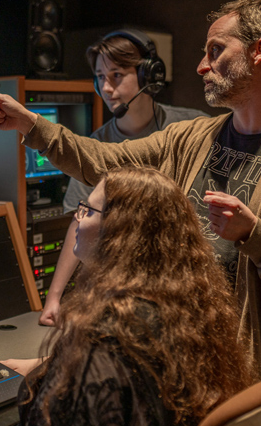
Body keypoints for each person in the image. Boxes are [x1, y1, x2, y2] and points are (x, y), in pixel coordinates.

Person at [0, 0, 261, 425]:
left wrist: (256, 236)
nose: (201, 66)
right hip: (180, 378)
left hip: (254, 391)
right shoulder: (188, 138)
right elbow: (105, 163)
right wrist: (30, 124)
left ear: (260, 51)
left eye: (216, 51)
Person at [0, 167, 256, 426]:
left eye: (88, 210)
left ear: (120, 232)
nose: (77, 219)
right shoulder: (181, 309)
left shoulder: (105, 337)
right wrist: (51, 367)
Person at [39, 30, 207, 326]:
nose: (106, 87)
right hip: (129, 292)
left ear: (149, 76)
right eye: (100, 76)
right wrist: (55, 297)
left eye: (116, 75)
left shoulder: (194, 128)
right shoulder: (97, 144)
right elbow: (80, 221)